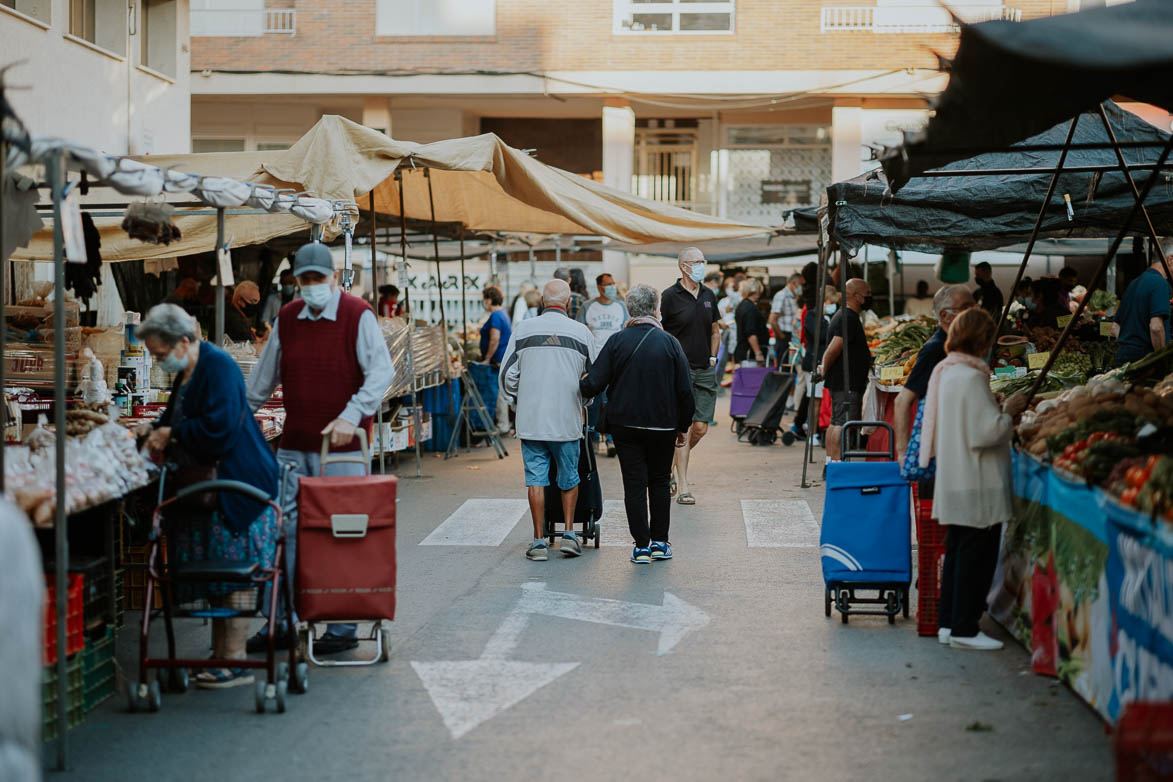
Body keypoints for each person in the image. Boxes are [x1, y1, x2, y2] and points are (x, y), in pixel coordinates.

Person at [245, 242, 394, 655]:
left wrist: (351, 416)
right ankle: (279, 620)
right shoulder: (288, 318)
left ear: (332, 278)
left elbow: (381, 373)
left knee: (340, 533)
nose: (310, 286)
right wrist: (236, 416)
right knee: (284, 533)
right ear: (296, 282)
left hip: (343, 450)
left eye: (317, 279)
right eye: (304, 280)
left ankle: (342, 626)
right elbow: (261, 381)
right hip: (295, 448)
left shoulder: (357, 315)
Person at [136, 304, 280, 686]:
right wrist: (152, 429)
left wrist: (174, 435)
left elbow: (221, 426)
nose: (159, 361)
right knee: (217, 571)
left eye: (161, 354)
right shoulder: (188, 370)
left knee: (234, 571)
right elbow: (174, 417)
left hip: (238, 486)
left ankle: (233, 660)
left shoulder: (218, 366)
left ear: (184, 341)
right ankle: (221, 655)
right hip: (209, 486)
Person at [919, 307, 1028, 650]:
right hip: (977, 480)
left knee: (957, 553)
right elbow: (987, 432)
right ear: (981, 339)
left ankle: (949, 625)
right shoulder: (971, 376)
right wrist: (1008, 410)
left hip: (956, 477)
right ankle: (966, 629)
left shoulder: (947, 371)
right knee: (975, 557)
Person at [580, 284, 694, 564]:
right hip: (663, 426)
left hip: (625, 426)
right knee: (658, 483)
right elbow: (685, 391)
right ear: (656, 309)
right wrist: (682, 426)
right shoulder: (669, 343)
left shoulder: (617, 341)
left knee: (633, 485)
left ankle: (641, 546)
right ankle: (660, 543)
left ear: (629, 310)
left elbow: (593, 384)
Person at [499, 279, 597, 561]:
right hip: (567, 420)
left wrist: (524, 395)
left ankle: (539, 541)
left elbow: (506, 377)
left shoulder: (524, 329)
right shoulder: (581, 333)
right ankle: (569, 534)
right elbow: (593, 379)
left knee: (536, 479)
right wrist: (583, 401)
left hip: (532, 420)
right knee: (569, 478)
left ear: (542, 301)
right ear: (568, 303)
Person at [660, 247, 720, 506]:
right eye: (697, 262)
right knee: (682, 427)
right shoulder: (669, 297)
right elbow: (660, 332)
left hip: (705, 369)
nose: (702, 266)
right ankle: (683, 486)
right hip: (679, 371)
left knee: (700, 427)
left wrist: (713, 357)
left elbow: (715, 330)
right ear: (684, 266)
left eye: (703, 261)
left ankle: (669, 468)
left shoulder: (709, 295)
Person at [893, 285, 975, 464]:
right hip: (941, 449)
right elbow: (902, 401)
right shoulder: (935, 349)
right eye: (966, 308)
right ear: (945, 315)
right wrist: (902, 454)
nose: (973, 314)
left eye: (974, 307)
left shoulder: (958, 344)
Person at [818, 278, 873, 462]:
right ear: (856, 296)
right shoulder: (847, 318)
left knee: (836, 422)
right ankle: (837, 464)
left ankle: (832, 463)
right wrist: (824, 368)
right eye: (867, 294)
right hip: (846, 381)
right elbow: (834, 348)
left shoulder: (844, 316)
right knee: (841, 424)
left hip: (844, 380)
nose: (869, 297)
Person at [579, 273, 629, 457]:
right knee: (593, 402)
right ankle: (591, 439)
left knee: (611, 400)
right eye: (608, 284)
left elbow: (627, 330)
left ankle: (610, 440)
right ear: (599, 287)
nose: (611, 287)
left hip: (615, 362)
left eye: (613, 284)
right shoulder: (587, 307)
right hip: (593, 363)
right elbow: (579, 332)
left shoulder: (621, 307)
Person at [1113, 248, 1171, 365]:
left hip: (1123, 358)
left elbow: (1115, 327)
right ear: (1170, 259)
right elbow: (1156, 327)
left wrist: (1129, 347)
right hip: (1145, 360)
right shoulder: (1160, 283)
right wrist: (1161, 360)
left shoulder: (1134, 283)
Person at [479, 285, 512, 435]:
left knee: (498, 394)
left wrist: (487, 358)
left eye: (484, 299)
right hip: (502, 358)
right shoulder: (503, 314)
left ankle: (502, 425)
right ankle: (503, 424)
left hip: (497, 359)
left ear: (489, 300)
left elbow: (494, 339)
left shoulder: (496, 316)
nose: (484, 302)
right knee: (501, 393)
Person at [768, 273, 802, 367]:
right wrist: (782, 336)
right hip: (784, 336)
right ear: (793, 283)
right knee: (783, 366)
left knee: (792, 366)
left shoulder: (794, 297)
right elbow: (772, 320)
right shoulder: (781, 295)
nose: (801, 287)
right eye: (800, 284)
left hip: (793, 336)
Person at [733, 278, 769, 366]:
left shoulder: (742, 305)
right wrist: (758, 353)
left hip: (744, 351)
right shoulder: (750, 308)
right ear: (757, 291)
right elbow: (750, 332)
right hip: (750, 354)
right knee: (752, 378)